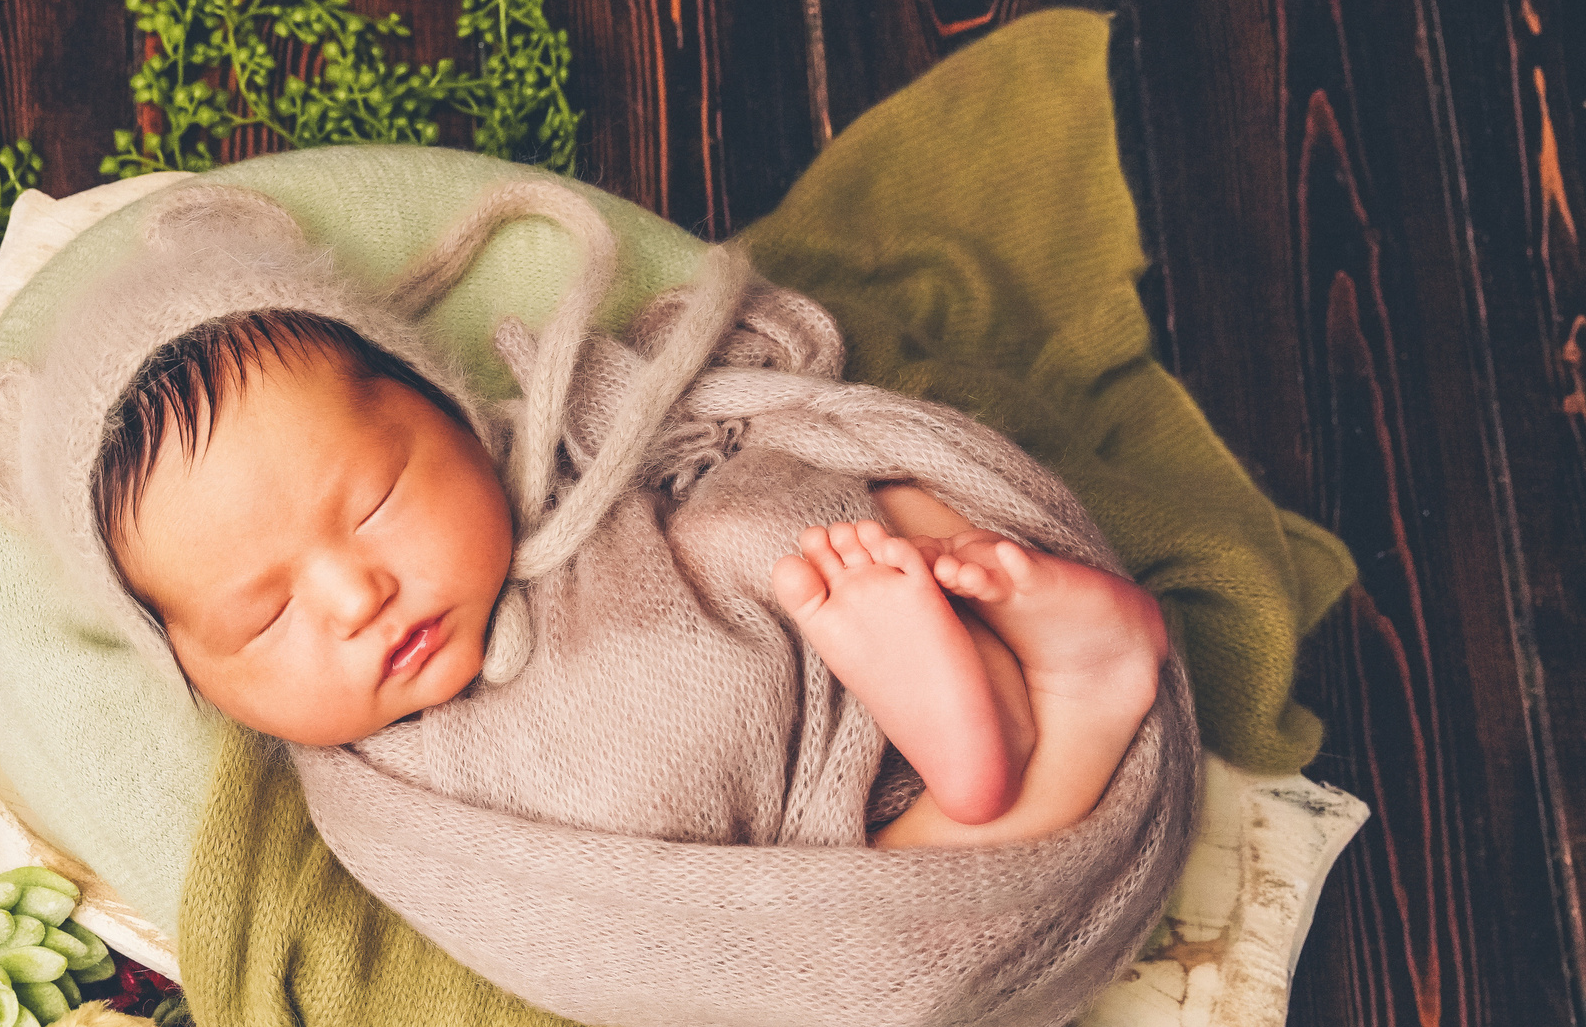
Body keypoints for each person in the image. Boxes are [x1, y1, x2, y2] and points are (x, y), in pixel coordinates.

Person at [98, 309, 1169, 851]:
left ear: (451, 411)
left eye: (375, 501)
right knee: (839, 898)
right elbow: (621, 928)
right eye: (267, 614)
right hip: (807, 805)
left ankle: (979, 610)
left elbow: (722, 399)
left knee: (810, 488)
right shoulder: (391, 808)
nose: (352, 597)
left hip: (797, 585)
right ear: (196, 678)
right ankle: (1051, 702)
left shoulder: (569, 450)